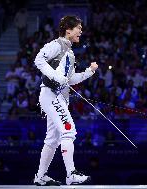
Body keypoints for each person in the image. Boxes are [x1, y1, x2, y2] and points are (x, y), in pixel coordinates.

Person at [33, 15, 98, 185]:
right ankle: (71, 174)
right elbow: (38, 59)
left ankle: (40, 177)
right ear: (68, 30)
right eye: (78, 28)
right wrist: (56, 77)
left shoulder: (69, 52)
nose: (80, 31)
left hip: (57, 97)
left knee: (52, 139)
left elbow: (69, 79)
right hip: (51, 95)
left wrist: (89, 72)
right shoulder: (57, 44)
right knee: (68, 130)